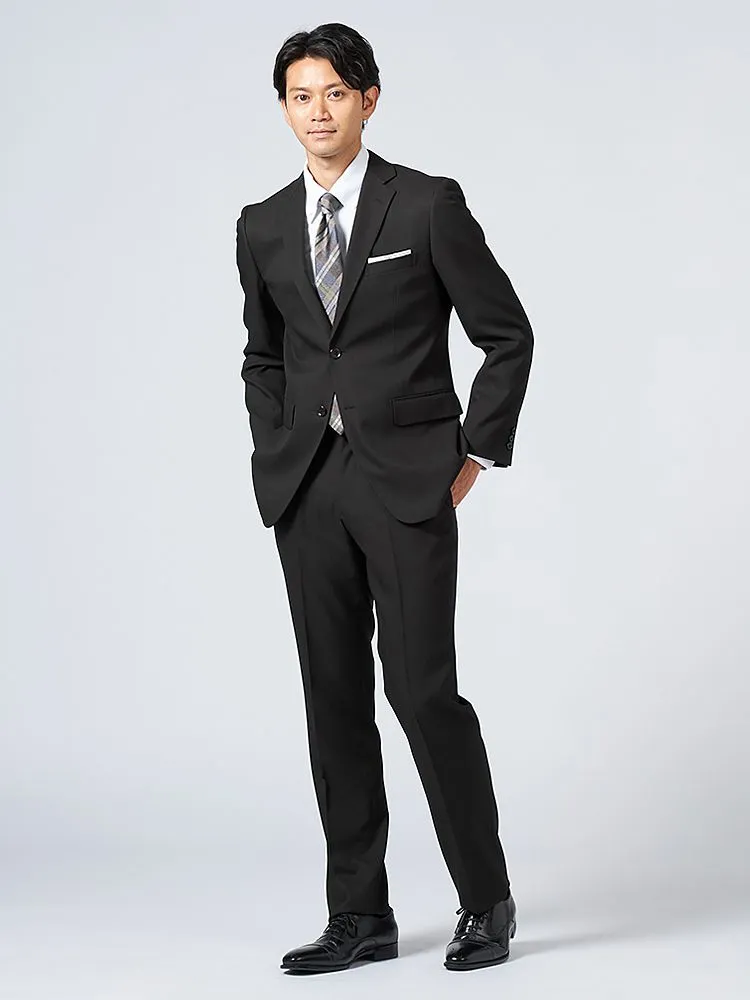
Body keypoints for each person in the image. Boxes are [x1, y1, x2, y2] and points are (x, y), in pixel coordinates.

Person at [235, 21, 534, 974]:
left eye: (334, 93)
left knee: (421, 691)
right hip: (307, 487)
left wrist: (474, 451)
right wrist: (276, 445)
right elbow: (264, 354)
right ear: (285, 109)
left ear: (368, 99)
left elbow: (507, 334)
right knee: (332, 698)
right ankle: (359, 914)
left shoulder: (427, 204)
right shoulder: (262, 224)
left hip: (406, 481)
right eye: (300, 97)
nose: (317, 112)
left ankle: (486, 899)